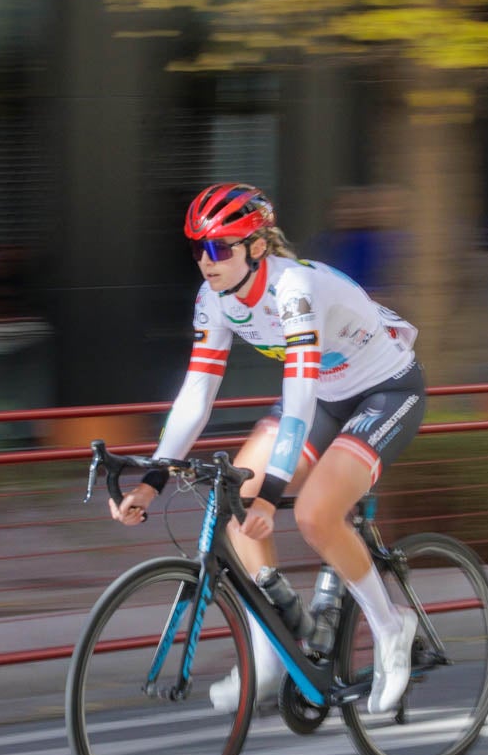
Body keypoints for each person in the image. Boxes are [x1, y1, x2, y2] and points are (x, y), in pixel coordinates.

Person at [110, 182, 426, 716]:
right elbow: (197, 392)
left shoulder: (294, 289)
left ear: (256, 247)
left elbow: (298, 391)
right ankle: (271, 655)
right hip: (325, 397)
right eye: (197, 250)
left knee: (315, 514)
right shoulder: (214, 298)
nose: (206, 262)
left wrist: (272, 491)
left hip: (384, 390)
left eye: (218, 249)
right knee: (234, 500)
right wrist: (154, 478)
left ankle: (392, 627)